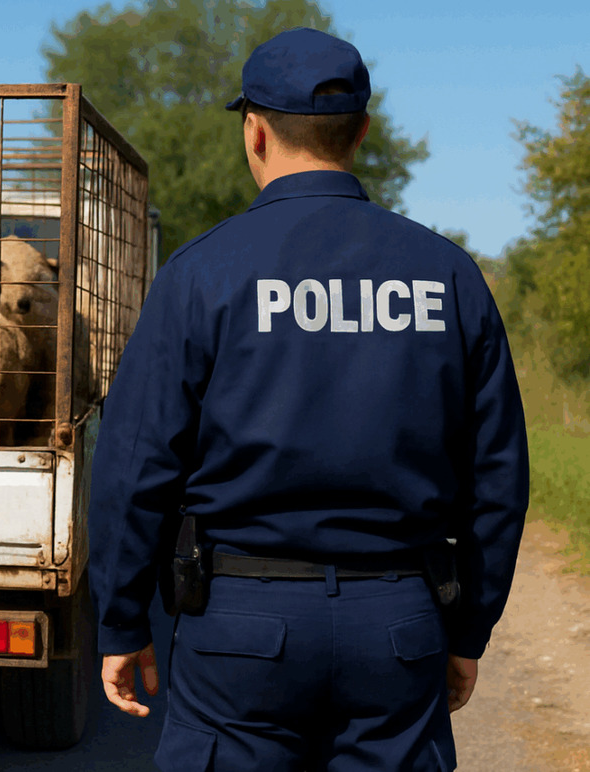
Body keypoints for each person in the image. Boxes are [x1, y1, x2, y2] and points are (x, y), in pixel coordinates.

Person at [87, 26, 529, 771]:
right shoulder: (449, 277)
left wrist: (121, 620)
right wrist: (466, 632)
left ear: (254, 133)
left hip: (240, 630)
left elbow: (135, 465)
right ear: (361, 132)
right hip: (399, 627)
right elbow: (498, 480)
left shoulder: (202, 275)